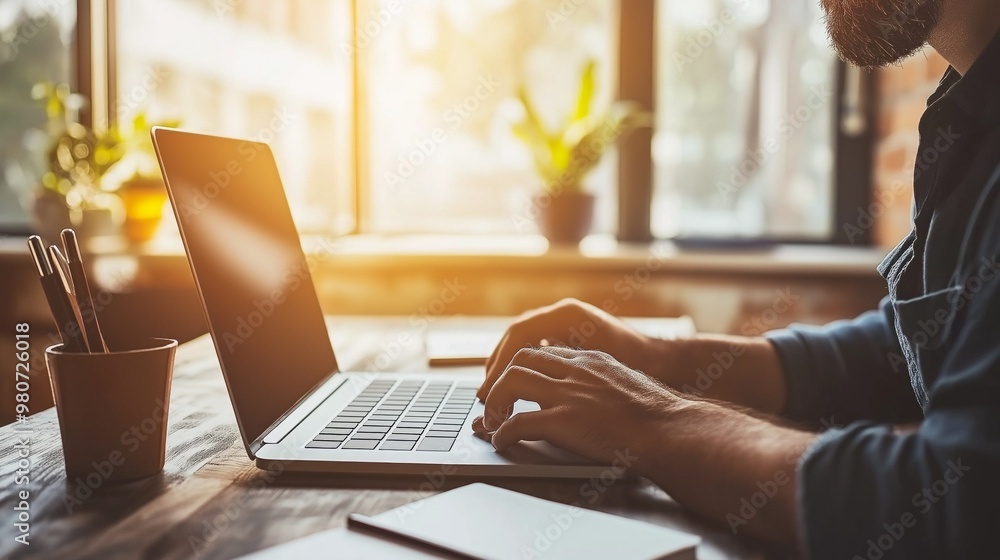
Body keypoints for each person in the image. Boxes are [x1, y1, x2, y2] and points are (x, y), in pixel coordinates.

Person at [473, 0, 1000, 557]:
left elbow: (960, 502)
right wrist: (661, 360)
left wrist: (651, 419)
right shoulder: (971, 114)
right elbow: (902, 349)